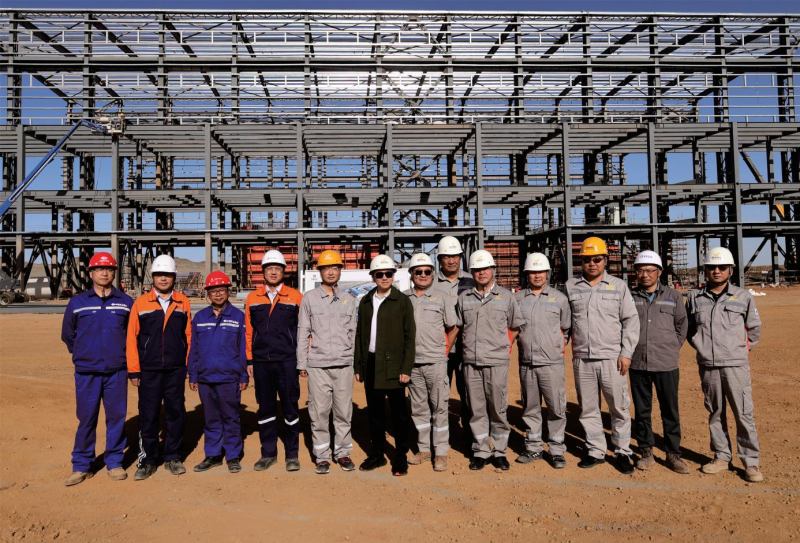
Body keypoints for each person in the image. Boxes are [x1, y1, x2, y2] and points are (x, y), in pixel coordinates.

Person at [687, 246, 763, 483]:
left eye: (722, 267)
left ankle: (750, 462)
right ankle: (721, 456)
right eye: (712, 267)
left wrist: (739, 350)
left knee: (743, 413)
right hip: (708, 365)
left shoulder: (743, 296)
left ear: (730, 270)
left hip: (736, 365)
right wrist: (702, 346)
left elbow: (754, 329)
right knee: (715, 412)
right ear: (706, 270)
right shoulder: (694, 298)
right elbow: (690, 330)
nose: (717, 271)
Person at [565, 237, 639, 475]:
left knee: (619, 408)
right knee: (588, 409)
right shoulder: (571, 287)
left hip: (612, 358)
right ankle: (595, 450)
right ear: (581, 261)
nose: (592, 263)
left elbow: (630, 320)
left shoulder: (618, 286)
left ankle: (622, 451)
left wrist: (626, 353)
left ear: (605, 260)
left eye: (597, 259)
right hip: (583, 358)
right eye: (587, 259)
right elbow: (565, 323)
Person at [61, 252, 133, 486]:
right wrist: (84, 352)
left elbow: (133, 335)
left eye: (109, 269)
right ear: (91, 273)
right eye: (100, 269)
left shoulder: (125, 302)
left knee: (116, 418)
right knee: (86, 418)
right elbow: (68, 334)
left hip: (116, 371)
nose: (104, 273)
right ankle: (82, 465)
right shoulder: (78, 302)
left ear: (114, 273)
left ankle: (114, 462)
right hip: (87, 372)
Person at [456, 249, 525, 471]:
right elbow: (459, 327)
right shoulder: (464, 298)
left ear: (493, 270)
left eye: (485, 268)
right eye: (477, 269)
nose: (482, 273)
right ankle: (481, 451)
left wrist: (503, 346)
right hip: (472, 362)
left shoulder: (506, 296)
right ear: (472, 272)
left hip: (497, 362)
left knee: (498, 408)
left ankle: (500, 451)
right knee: (476, 409)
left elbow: (515, 326)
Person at [127, 254, 192, 481]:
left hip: (176, 369)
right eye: (159, 275)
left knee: (176, 413)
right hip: (149, 369)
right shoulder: (140, 303)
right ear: (153, 277)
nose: (163, 279)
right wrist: (134, 369)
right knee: (149, 414)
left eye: (167, 275)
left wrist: (188, 365)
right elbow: (131, 338)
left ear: (174, 277)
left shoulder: (183, 302)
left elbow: (189, 337)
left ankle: (173, 456)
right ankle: (148, 460)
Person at [297, 250, 358, 475]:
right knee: (319, 412)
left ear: (340, 270)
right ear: (319, 271)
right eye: (326, 268)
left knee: (343, 412)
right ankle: (322, 456)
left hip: (343, 364)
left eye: (334, 268)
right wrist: (302, 363)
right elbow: (303, 331)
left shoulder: (349, 299)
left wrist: (354, 362)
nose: (331, 272)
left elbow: (354, 333)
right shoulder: (309, 299)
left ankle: (342, 453)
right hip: (318, 365)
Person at [354, 254, 416, 476]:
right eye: (379, 274)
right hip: (371, 364)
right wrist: (359, 366)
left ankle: (400, 458)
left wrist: (406, 368)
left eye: (388, 273)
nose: (384, 277)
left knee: (399, 416)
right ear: (373, 277)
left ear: (393, 275)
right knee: (375, 414)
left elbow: (410, 337)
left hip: (394, 366)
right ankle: (378, 454)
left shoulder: (402, 301)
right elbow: (360, 335)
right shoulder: (365, 301)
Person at [629, 250, 689, 474]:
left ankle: (673, 454)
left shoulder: (674, 296)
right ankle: (646, 452)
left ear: (659, 272)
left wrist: (671, 347)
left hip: (666, 363)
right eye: (640, 270)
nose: (645, 275)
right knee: (642, 411)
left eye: (650, 270)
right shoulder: (629, 296)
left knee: (670, 410)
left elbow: (682, 326)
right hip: (638, 362)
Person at [245, 249, 304, 472]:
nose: (273, 272)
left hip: (287, 361)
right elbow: (249, 332)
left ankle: (292, 454)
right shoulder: (253, 298)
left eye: (277, 268)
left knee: (290, 408)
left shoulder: (295, 297)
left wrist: (301, 360)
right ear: (263, 272)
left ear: (283, 272)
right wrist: (249, 360)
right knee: (266, 409)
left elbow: (303, 330)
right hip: (262, 362)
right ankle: (268, 453)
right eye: (269, 268)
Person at [513, 253, 571, 469]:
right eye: (532, 272)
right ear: (527, 274)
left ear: (547, 274)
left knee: (556, 408)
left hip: (552, 364)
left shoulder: (559, 298)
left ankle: (556, 450)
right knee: (530, 408)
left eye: (541, 272)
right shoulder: (518, 299)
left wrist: (554, 346)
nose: (537, 275)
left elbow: (566, 328)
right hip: (527, 363)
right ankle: (533, 447)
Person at [188, 271, 249, 474]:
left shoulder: (238, 317)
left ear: (228, 291)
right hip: (205, 378)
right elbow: (194, 348)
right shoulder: (200, 318)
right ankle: (213, 455)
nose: (218, 294)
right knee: (211, 419)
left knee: (231, 418)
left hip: (229, 378)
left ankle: (232, 456)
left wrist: (243, 375)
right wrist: (193, 374)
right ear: (208, 293)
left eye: (221, 290)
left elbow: (242, 349)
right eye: (213, 291)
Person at [404, 253, 458, 472]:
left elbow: (453, 327)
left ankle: (441, 452)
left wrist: (444, 350)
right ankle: (424, 449)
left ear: (433, 273)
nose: (423, 275)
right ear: (411, 274)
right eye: (418, 271)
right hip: (413, 364)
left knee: (440, 408)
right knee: (418, 409)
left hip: (435, 362)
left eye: (427, 271)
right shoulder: (404, 298)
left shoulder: (442, 297)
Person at [434, 236, 475, 445]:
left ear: (460, 257)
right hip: (439, 350)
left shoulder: (472, 280)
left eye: (455, 256)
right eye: (446, 257)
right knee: (438, 395)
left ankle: (470, 437)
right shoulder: (431, 282)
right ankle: (438, 438)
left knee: (468, 395)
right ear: (439, 259)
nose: (451, 260)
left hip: (467, 349)